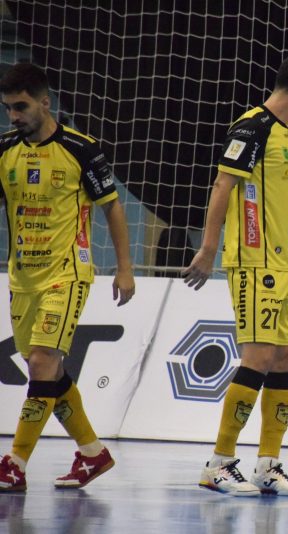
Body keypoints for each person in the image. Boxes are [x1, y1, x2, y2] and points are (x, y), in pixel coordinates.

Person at [182, 52, 288, 497]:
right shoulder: (253, 127)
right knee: (259, 358)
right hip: (254, 264)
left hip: (285, 265)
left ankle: (269, 464)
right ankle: (220, 462)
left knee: (285, 359)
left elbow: (282, 203)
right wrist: (208, 250)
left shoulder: (286, 136)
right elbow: (224, 185)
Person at [0, 63, 135, 491]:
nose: (14, 116)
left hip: (68, 272)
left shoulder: (81, 149)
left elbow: (112, 206)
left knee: (42, 362)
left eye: (20, 107)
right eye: (7, 109)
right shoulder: (4, 151)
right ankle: (93, 454)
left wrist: (125, 268)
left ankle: (14, 464)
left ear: (45, 102)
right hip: (23, 276)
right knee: (48, 375)